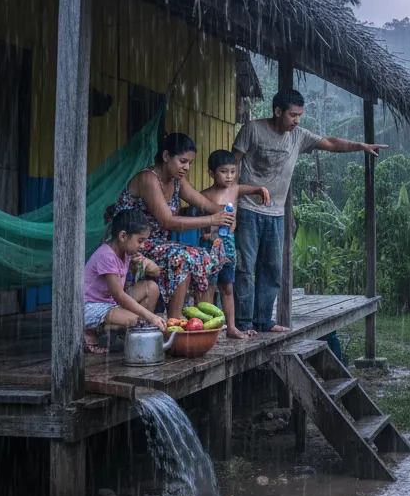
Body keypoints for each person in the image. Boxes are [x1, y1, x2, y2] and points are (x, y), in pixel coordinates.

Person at [232, 87, 386, 337]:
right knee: (245, 267)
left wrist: (360, 145)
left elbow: (330, 143)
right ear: (278, 111)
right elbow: (231, 164)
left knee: (272, 269)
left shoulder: (299, 136)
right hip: (248, 209)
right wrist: (226, 199)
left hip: (276, 213)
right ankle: (243, 323)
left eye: (300, 115)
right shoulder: (253, 129)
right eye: (293, 115)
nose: (297, 120)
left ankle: (263, 321)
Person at [108, 132, 237, 321]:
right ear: (166, 156)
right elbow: (167, 221)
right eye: (183, 161)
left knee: (202, 255)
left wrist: (227, 214)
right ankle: (174, 322)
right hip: (130, 245)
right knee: (183, 256)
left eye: (190, 163)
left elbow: (203, 203)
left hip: (155, 245)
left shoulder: (177, 180)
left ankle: (196, 322)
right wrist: (212, 220)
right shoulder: (148, 179)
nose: (187, 167)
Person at [199, 149, 269, 341]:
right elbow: (198, 225)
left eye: (232, 171)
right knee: (209, 287)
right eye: (224, 171)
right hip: (210, 247)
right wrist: (206, 235)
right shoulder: (203, 196)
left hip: (229, 247)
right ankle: (207, 328)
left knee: (228, 287)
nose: (229, 176)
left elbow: (248, 188)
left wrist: (259, 189)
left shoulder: (235, 189)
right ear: (211, 173)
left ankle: (231, 327)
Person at [83, 208, 164, 354]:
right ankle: (88, 331)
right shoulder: (106, 255)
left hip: (109, 305)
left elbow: (127, 284)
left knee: (151, 288)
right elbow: (119, 296)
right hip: (89, 308)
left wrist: (141, 266)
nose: (142, 246)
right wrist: (150, 316)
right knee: (139, 321)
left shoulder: (126, 253)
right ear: (123, 236)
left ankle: (133, 335)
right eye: (140, 241)